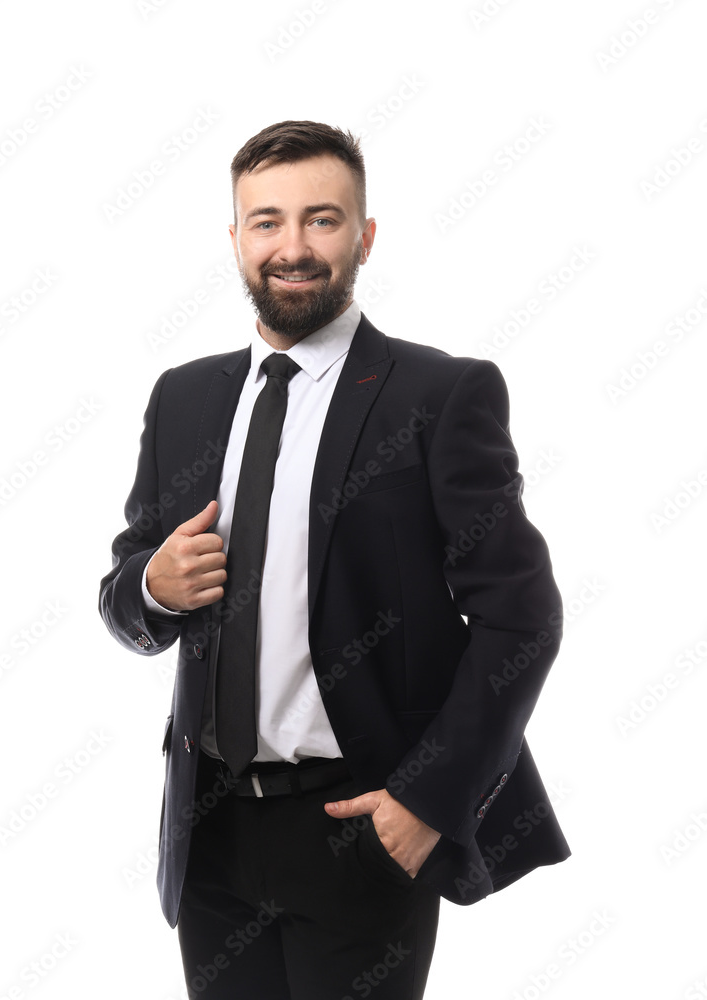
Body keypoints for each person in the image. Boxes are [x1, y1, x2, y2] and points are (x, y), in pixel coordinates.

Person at [98, 120, 570, 1000]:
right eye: (266, 221)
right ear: (235, 239)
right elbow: (127, 583)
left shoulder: (438, 395)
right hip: (210, 834)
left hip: (362, 824)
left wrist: (425, 804)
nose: (293, 247)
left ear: (364, 236)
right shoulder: (184, 398)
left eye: (321, 219)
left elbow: (521, 616)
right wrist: (152, 590)